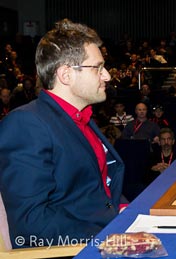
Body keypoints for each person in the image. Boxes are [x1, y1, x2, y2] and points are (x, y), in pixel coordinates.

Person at [0, 19, 126, 247]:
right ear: (66, 74)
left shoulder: (82, 117)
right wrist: (107, 238)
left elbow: (97, 189)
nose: (107, 76)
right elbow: (31, 226)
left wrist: (128, 213)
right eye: (98, 67)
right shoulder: (26, 124)